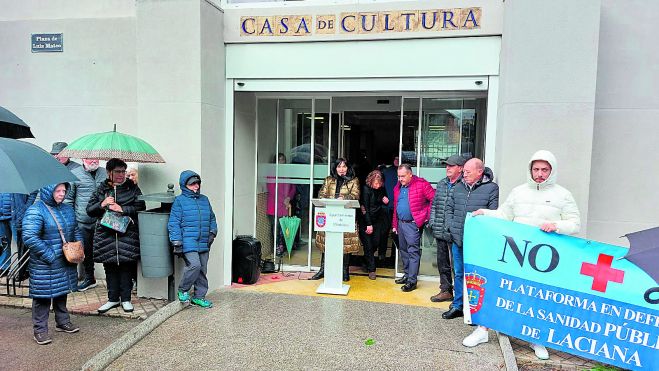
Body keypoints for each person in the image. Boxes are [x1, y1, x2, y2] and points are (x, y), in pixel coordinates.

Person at [464, 150, 580, 360]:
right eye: (536, 169)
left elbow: (575, 223)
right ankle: (482, 331)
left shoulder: (563, 195)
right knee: (500, 291)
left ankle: (537, 339)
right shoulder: (519, 192)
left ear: (552, 170)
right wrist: (485, 213)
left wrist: (557, 226)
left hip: (543, 261)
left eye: (544, 169)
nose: (540, 174)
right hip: (514, 254)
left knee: (535, 298)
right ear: (530, 169)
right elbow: (504, 215)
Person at [22, 183, 82, 345]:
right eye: (58, 191)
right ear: (49, 191)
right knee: (42, 297)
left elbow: (75, 229)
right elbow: (29, 237)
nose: (62, 194)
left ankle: (62, 322)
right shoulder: (36, 210)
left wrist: (79, 247)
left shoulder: (67, 209)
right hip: (45, 263)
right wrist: (50, 255)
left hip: (64, 260)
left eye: (64, 190)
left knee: (61, 291)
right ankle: (40, 330)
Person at [86, 158, 145, 313]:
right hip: (106, 236)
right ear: (108, 172)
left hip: (127, 234)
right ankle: (112, 299)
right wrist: (102, 204)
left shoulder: (132, 188)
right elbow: (89, 211)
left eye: (123, 171)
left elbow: (140, 206)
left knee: (126, 267)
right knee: (110, 267)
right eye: (117, 171)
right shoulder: (101, 189)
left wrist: (123, 209)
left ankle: (126, 299)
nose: (121, 175)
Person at [442, 158, 498, 319]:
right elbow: (449, 209)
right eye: (464, 171)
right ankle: (458, 305)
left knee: (475, 276)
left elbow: (492, 213)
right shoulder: (458, 187)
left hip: (477, 243)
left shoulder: (491, 189)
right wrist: (451, 227)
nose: (464, 174)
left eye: (468, 172)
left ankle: (474, 310)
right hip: (458, 240)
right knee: (458, 273)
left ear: (480, 172)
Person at [168, 171, 217, 308]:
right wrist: (176, 242)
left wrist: (212, 232)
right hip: (188, 240)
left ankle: (199, 297)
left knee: (202, 269)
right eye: (192, 184)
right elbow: (174, 223)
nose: (196, 186)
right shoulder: (179, 201)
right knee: (194, 265)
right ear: (184, 185)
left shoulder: (204, 199)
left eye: (197, 183)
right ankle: (183, 290)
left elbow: (212, 218)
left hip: (204, 240)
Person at [310, 158, 361, 281]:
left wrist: (344, 198)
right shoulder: (329, 179)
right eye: (339, 167)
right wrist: (329, 200)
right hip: (329, 215)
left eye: (344, 166)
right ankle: (323, 270)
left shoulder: (354, 180)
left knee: (345, 244)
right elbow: (321, 194)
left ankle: (344, 271)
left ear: (348, 168)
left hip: (345, 217)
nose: (341, 169)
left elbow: (356, 195)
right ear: (335, 168)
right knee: (326, 243)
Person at [429, 154, 467, 303]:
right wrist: (432, 221)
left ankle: (459, 295)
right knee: (442, 263)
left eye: (451, 166)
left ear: (460, 168)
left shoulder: (463, 186)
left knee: (457, 266)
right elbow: (434, 205)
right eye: (447, 165)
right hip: (439, 230)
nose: (447, 168)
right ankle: (445, 290)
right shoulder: (442, 184)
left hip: (454, 233)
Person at [392, 163, 435, 292]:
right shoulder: (398, 187)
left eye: (403, 176)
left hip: (412, 224)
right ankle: (406, 275)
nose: (400, 179)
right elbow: (396, 207)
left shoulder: (421, 184)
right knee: (403, 251)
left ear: (410, 174)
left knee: (413, 252)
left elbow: (434, 198)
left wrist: (425, 216)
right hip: (401, 223)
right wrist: (394, 224)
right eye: (399, 176)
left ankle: (412, 281)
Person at [65, 159, 107, 291]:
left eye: (95, 158)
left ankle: (111, 280)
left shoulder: (105, 173)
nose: (93, 161)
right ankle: (90, 278)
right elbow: (68, 199)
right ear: (83, 159)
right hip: (83, 221)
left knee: (106, 249)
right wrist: (71, 220)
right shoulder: (74, 174)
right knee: (86, 251)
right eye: (90, 158)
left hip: (103, 220)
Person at [361, 170, 389, 280]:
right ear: (371, 181)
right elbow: (365, 208)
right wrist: (368, 224)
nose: (377, 186)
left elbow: (385, 199)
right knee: (368, 245)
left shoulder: (381, 188)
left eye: (379, 183)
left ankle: (365, 260)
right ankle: (372, 270)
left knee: (376, 242)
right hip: (366, 220)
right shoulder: (366, 189)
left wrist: (386, 201)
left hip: (378, 219)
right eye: (375, 184)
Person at [266, 153, 296, 258]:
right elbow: (272, 190)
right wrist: (284, 200)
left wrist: (288, 198)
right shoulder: (272, 173)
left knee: (284, 228)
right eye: (279, 160)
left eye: (283, 160)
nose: (281, 162)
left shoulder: (287, 173)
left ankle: (282, 247)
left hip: (284, 206)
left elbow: (293, 187)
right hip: (274, 205)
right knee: (276, 228)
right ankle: (276, 248)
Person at [381, 155, 400, 265]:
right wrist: (382, 197)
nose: (397, 160)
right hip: (387, 208)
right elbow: (380, 186)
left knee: (396, 233)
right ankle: (382, 255)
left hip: (398, 208)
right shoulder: (386, 172)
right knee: (384, 232)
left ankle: (394, 256)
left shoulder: (405, 172)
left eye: (399, 158)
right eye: (395, 158)